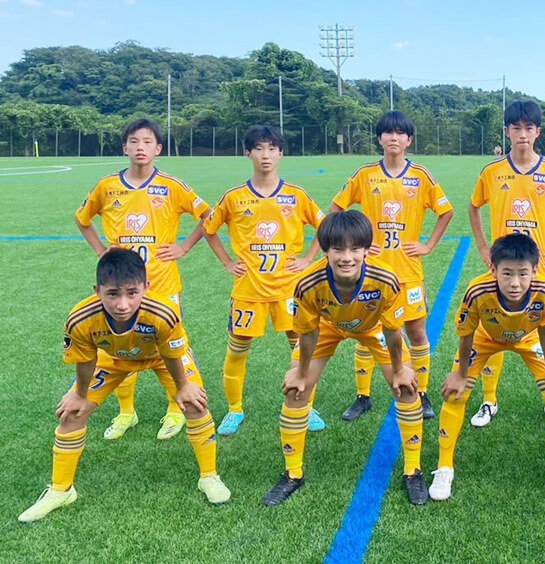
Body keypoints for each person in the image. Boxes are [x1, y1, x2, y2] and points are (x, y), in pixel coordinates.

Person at [18, 249, 229, 522]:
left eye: (132, 293)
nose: (123, 304)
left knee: (193, 402)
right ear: (97, 291)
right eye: (113, 294)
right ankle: (61, 490)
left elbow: (172, 354)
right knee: (72, 414)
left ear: (146, 287)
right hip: (113, 358)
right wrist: (80, 395)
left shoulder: (163, 312)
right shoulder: (80, 319)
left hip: (161, 357)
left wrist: (183, 387)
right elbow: (86, 360)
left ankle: (209, 476)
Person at [263, 211, 427, 506]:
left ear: (367, 250)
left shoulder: (385, 280)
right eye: (338, 249)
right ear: (325, 251)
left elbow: (392, 330)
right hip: (327, 327)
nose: (346, 257)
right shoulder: (307, 284)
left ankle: (413, 470)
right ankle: (293, 473)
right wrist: (301, 373)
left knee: (406, 387)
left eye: (355, 249)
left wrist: (400, 370)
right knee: (296, 391)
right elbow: (308, 333)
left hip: (372, 327)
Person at [75, 118, 211, 442]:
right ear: (125, 147)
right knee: (120, 346)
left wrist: (183, 247)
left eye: (147, 142)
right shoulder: (107, 186)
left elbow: (209, 215)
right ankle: (126, 412)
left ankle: (175, 409)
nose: (140, 147)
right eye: (134, 141)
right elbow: (82, 220)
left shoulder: (172, 186)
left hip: (162, 284)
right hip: (121, 287)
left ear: (158, 148)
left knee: (171, 348)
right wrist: (101, 252)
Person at [427, 234, 545, 504]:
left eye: (523, 274)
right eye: (507, 273)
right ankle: (444, 468)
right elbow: (466, 333)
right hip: (486, 338)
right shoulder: (477, 291)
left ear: (535, 271)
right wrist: (460, 374)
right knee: (455, 393)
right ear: (493, 269)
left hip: (529, 338)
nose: (515, 283)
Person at [326, 110, 453, 422]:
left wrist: (428, 245)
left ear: (409, 140)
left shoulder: (420, 176)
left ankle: (421, 392)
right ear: (379, 138)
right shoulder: (365, 174)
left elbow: (446, 211)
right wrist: (356, 244)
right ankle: (363, 396)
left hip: (408, 273)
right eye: (388, 132)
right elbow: (335, 210)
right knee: (365, 331)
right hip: (369, 273)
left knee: (417, 332)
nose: (394, 138)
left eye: (400, 133)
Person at [465, 100, 545, 427]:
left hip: (540, 270)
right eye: (516, 128)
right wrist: (483, 246)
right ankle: (489, 401)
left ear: (538, 132)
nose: (522, 134)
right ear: (507, 131)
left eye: (528, 128)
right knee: (492, 331)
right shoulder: (492, 171)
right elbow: (473, 207)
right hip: (502, 270)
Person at [203, 125, 327, 436]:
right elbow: (209, 229)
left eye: (272, 148)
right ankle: (234, 410)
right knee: (237, 349)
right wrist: (227, 262)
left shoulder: (296, 195)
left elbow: (325, 227)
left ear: (281, 153)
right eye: (258, 148)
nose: (266, 155)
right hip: (248, 289)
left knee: (301, 348)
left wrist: (308, 259)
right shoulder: (234, 197)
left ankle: (306, 404)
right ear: (248, 153)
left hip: (289, 289)